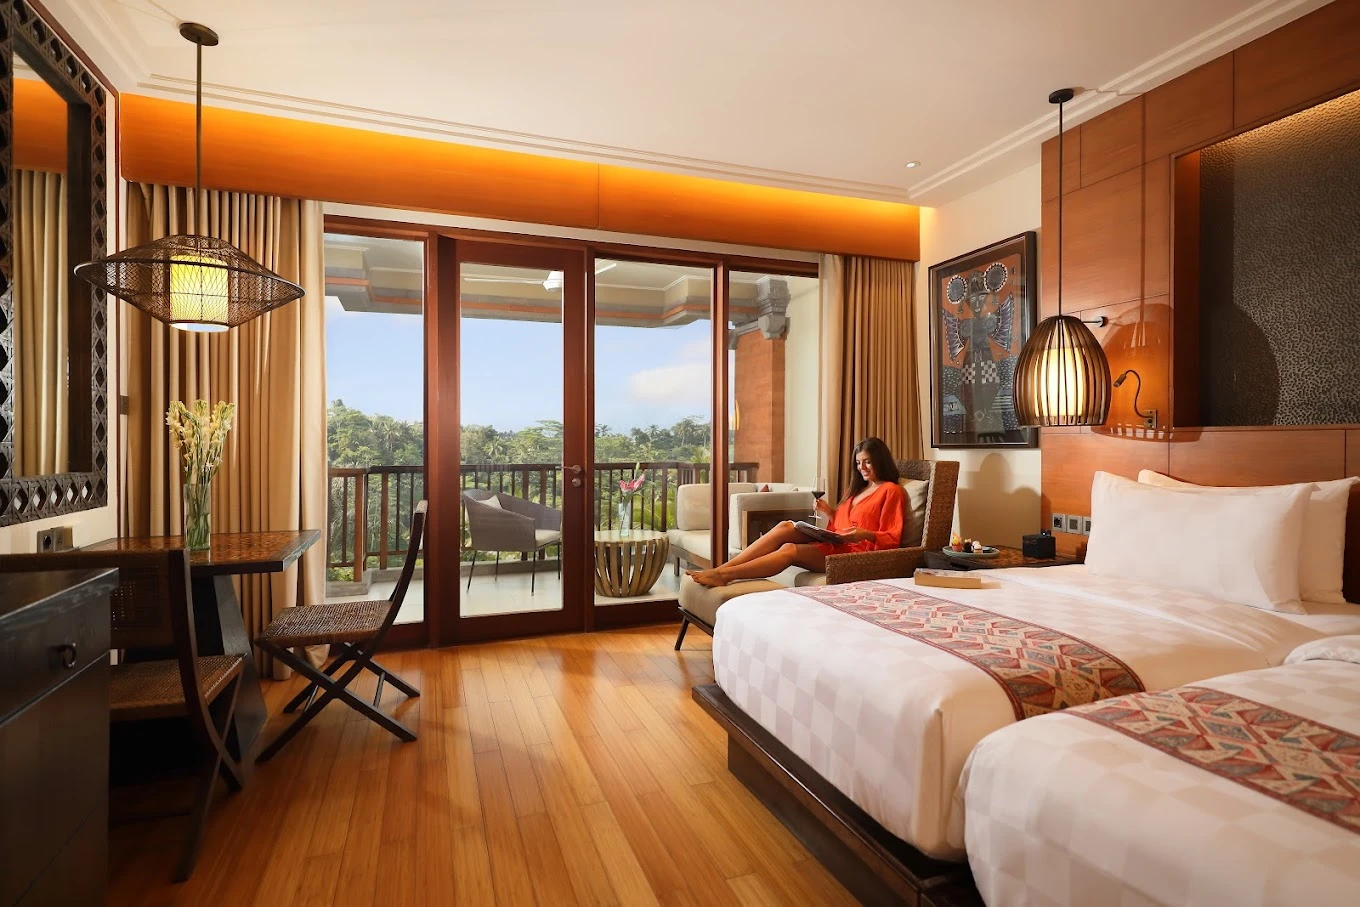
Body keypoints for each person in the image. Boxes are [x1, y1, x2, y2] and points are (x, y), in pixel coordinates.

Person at [687, 437, 906, 588]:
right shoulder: (856, 489)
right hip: (837, 542)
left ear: (879, 461)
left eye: (867, 462)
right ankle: (721, 569)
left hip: (855, 555)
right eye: (858, 463)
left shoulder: (891, 491)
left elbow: (893, 537)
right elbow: (842, 525)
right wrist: (830, 512)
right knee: (785, 526)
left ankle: (724, 575)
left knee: (789, 549)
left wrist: (865, 534)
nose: (862, 468)